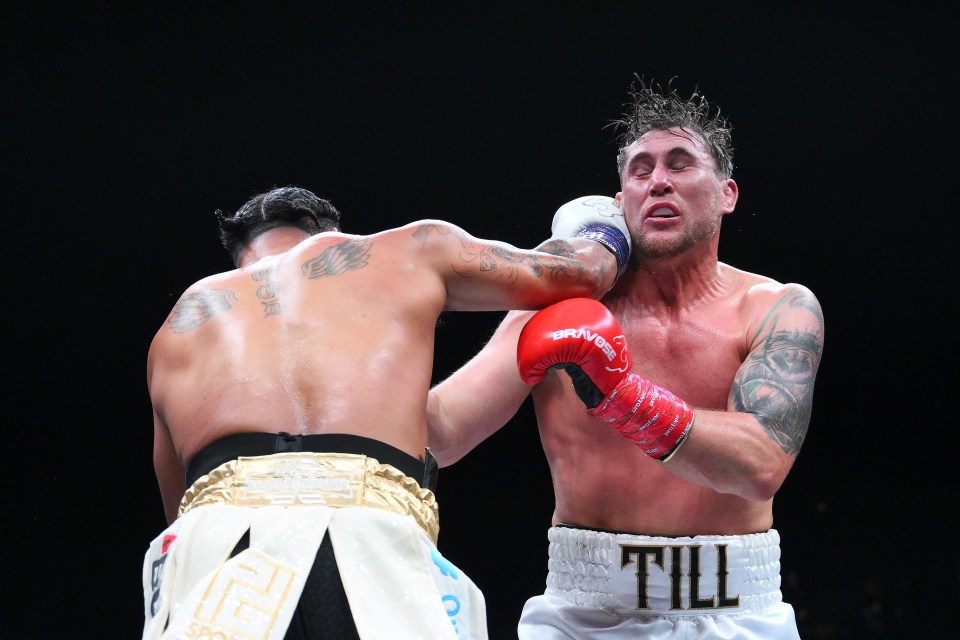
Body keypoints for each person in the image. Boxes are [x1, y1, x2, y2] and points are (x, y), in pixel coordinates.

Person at [427, 78, 825, 639]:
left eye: (680, 164)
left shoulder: (777, 308)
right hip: (581, 615)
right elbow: (444, 432)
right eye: (640, 171)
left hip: (739, 610)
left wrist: (619, 394)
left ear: (727, 194)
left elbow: (760, 466)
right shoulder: (560, 303)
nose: (658, 181)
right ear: (620, 202)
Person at [142, 185, 631, 640]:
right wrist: (603, 228)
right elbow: (580, 276)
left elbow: (177, 509)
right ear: (331, 233)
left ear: (239, 256)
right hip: (366, 541)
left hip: (216, 556)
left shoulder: (175, 328)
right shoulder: (405, 247)